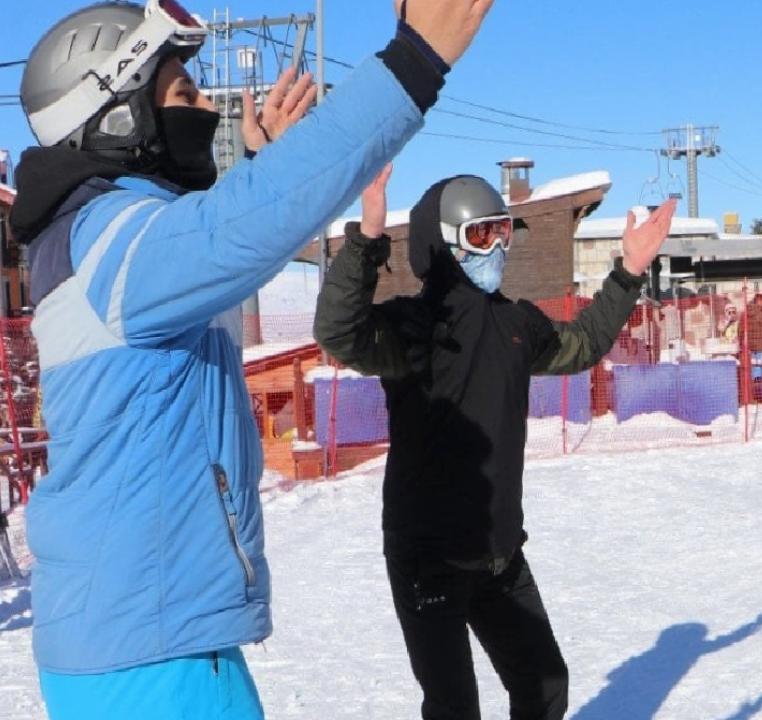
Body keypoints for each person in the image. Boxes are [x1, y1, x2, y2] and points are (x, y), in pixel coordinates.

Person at [12, 0, 493, 717]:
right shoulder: (109, 239)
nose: (209, 108)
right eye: (184, 94)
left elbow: (222, 241)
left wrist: (265, 166)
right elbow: (237, 231)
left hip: (135, 636)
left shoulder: (105, 246)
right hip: (151, 653)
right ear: (118, 121)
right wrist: (415, 60)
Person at [313, 166, 674, 720]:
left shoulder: (515, 323)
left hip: (499, 554)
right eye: (482, 234)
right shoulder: (413, 328)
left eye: (503, 231)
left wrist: (628, 272)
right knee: (455, 706)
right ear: (445, 243)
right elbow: (340, 332)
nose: (498, 247)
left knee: (545, 684)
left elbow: (579, 345)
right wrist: (367, 239)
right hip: (429, 556)